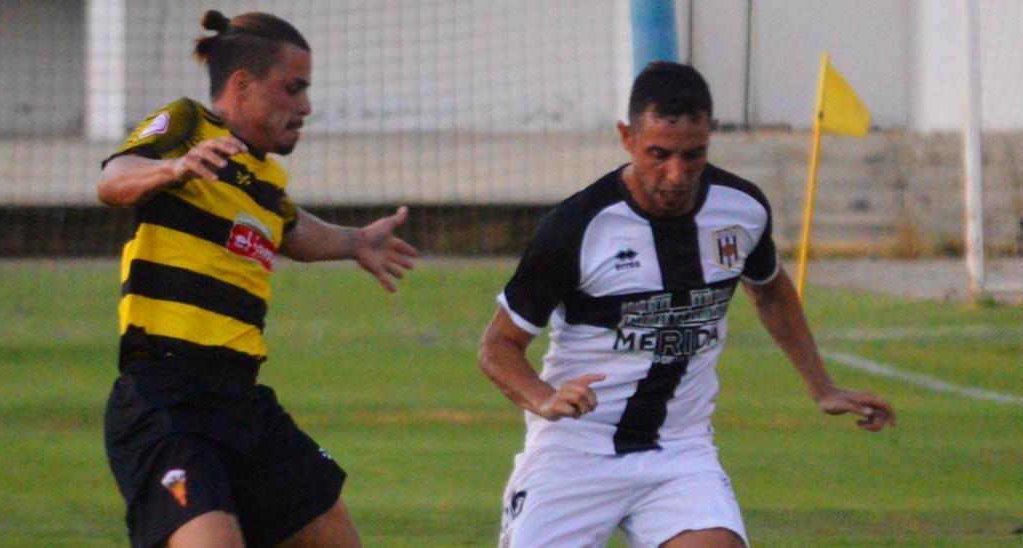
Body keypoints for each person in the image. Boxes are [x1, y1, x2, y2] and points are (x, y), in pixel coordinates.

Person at [477, 61, 896, 548]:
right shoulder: (578, 227)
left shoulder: (742, 210)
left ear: (711, 136)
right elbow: (498, 346)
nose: (676, 175)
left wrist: (822, 387)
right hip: (575, 450)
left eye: (693, 155)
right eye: (659, 154)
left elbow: (770, 288)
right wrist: (543, 397)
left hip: (678, 450)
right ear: (626, 138)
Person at [97, 10, 416, 548]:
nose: (306, 106)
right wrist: (174, 168)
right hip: (166, 397)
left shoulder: (264, 175)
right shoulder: (186, 126)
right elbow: (112, 180)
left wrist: (354, 242)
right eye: (293, 88)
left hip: (240, 401)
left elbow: (289, 228)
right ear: (242, 84)